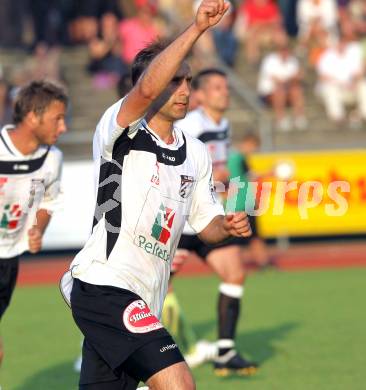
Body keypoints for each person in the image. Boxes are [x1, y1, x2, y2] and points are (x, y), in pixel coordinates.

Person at [60, 1, 252, 389]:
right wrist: (196, 29)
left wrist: (227, 226)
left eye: (188, 82)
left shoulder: (194, 152)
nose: (185, 90)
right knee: (179, 383)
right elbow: (147, 86)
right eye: (175, 80)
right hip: (105, 285)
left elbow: (206, 227)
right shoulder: (122, 132)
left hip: (144, 295)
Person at [173, 68, 258, 377]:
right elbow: (174, 162)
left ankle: (225, 351)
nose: (225, 92)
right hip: (180, 222)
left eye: (226, 87)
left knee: (235, 273)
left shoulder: (222, 124)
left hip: (207, 218)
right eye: (218, 88)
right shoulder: (191, 124)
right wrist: (209, 175)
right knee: (154, 291)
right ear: (202, 94)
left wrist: (226, 184)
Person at [0, 80, 68, 366]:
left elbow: (47, 201)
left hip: (8, 258)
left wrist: (38, 228)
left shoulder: (52, 159)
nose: (63, 127)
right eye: (58, 119)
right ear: (32, 117)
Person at [257, 31, 307, 131]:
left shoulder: (293, 61)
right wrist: (291, 79)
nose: (285, 53)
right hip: (268, 93)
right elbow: (276, 80)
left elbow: (298, 76)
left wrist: (291, 79)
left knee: (296, 90)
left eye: (287, 50)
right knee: (280, 90)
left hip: (286, 90)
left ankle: (299, 117)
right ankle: (281, 119)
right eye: (283, 50)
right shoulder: (270, 60)